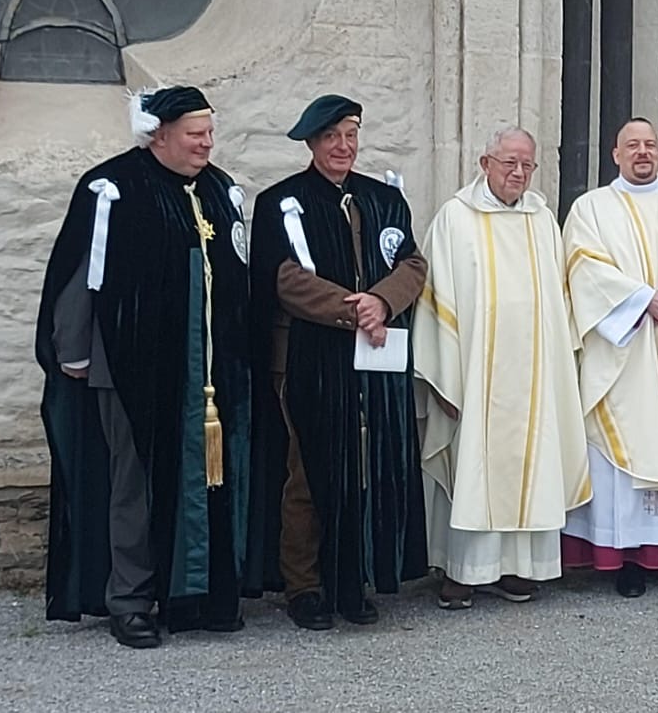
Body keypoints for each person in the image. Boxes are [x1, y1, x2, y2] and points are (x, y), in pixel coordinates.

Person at [35, 85, 253, 647]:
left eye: (210, 133)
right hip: (131, 364)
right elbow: (82, 274)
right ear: (159, 135)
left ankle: (196, 594)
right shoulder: (114, 187)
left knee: (205, 480)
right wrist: (74, 351)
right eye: (195, 134)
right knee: (134, 485)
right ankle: (130, 600)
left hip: (206, 372)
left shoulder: (219, 190)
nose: (207, 144)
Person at [249, 94, 428, 630]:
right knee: (307, 471)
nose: (343, 146)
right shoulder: (281, 202)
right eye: (331, 137)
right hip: (308, 357)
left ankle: (354, 580)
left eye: (350, 135)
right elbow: (284, 279)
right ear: (312, 142)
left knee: (366, 466)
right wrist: (356, 309)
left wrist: (384, 301)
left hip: (373, 354)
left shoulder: (383, 199)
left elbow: (412, 263)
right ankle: (305, 585)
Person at [414, 126, 588, 609]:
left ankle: (518, 567)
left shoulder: (542, 220)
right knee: (472, 462)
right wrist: (445, 378)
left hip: (534, 375)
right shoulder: (455, 218)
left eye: (527, 165)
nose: (518, 173)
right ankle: (462, 570)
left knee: (531, 461)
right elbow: (438, 299)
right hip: (474, 373)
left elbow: (559, 302)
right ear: (484, 163)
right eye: (509, 162)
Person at [561, 118, 658, 598]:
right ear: (616, 154)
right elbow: (582, 266)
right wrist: (642, 300)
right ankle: (625, 557)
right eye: (633, 145)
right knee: (620, 452)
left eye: (650, 144)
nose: (643, 152)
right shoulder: (591, 208)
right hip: (623, 353)